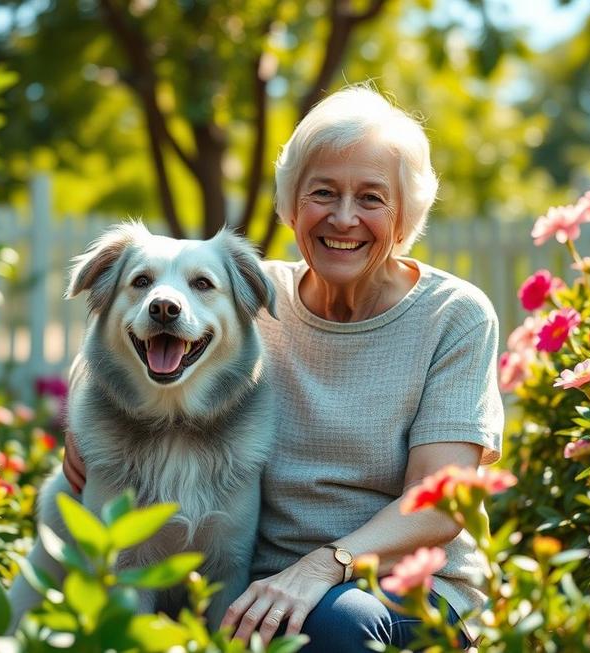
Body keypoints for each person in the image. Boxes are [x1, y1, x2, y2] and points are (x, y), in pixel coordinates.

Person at [61, 84, 503, 651]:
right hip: (257, 588)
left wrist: (324, 566)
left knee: (334, 625)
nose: (343, 218)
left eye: (371, 198)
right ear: (292, 204)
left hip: (399, 587)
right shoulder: (251, 295)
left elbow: (438, 503)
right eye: (322, 192)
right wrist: (83, 405)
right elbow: (133, 331)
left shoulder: (454, 316)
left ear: (404, 216)